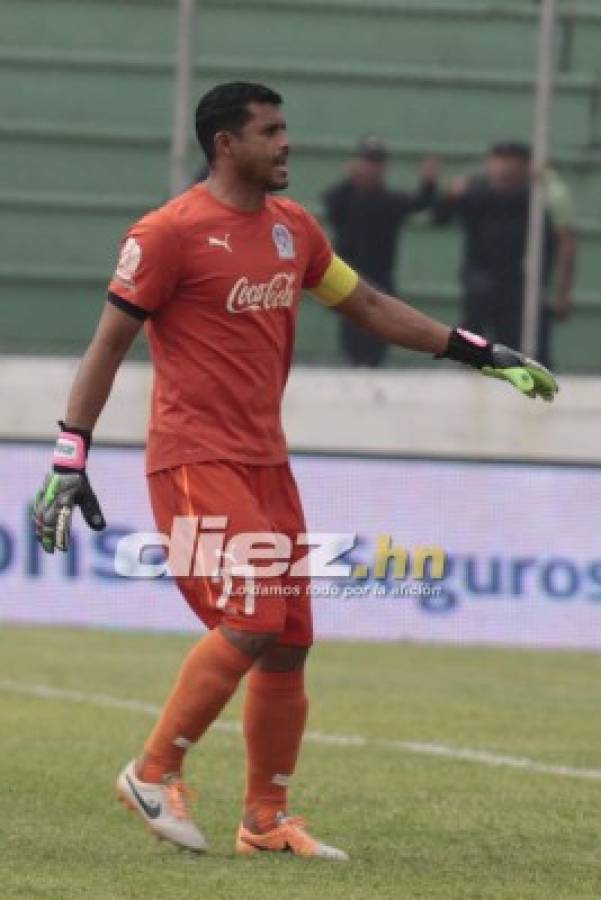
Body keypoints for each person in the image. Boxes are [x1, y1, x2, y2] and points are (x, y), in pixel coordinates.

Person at [32, 83, 557, 862]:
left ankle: (264, 819)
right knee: (252, 617)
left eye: (284, 129)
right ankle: (152, 770)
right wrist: (70, 453)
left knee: (287, 641)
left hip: (266, 462)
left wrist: (475, 352)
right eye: (270, 131)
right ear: (225, 144)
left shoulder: (293, 229)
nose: (286, 143)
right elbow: (107, 345)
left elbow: (366, 304)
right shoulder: (168, 232)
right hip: (194, 457)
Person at [433, 141, 576, 367]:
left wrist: (561, 292)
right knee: (475, 334)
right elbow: (440, 217)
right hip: (482, 281)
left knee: (526, 346)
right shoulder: (475, 191)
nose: (502, 174)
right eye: (498, 167)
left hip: (523, 285)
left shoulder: (544, 197)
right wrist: (448, 194)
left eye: (509, 169)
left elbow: (565, 242)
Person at [323, 137, 439, 367]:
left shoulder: (389, 201)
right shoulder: (344, 198)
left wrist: (429, 183)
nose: (370, 168)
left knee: (380, 330)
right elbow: (331, 202)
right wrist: (350, 181)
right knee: (351, 330)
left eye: (375, 163)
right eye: (366, 162)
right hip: (350, 273)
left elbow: (420, 203)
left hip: (381, 275)